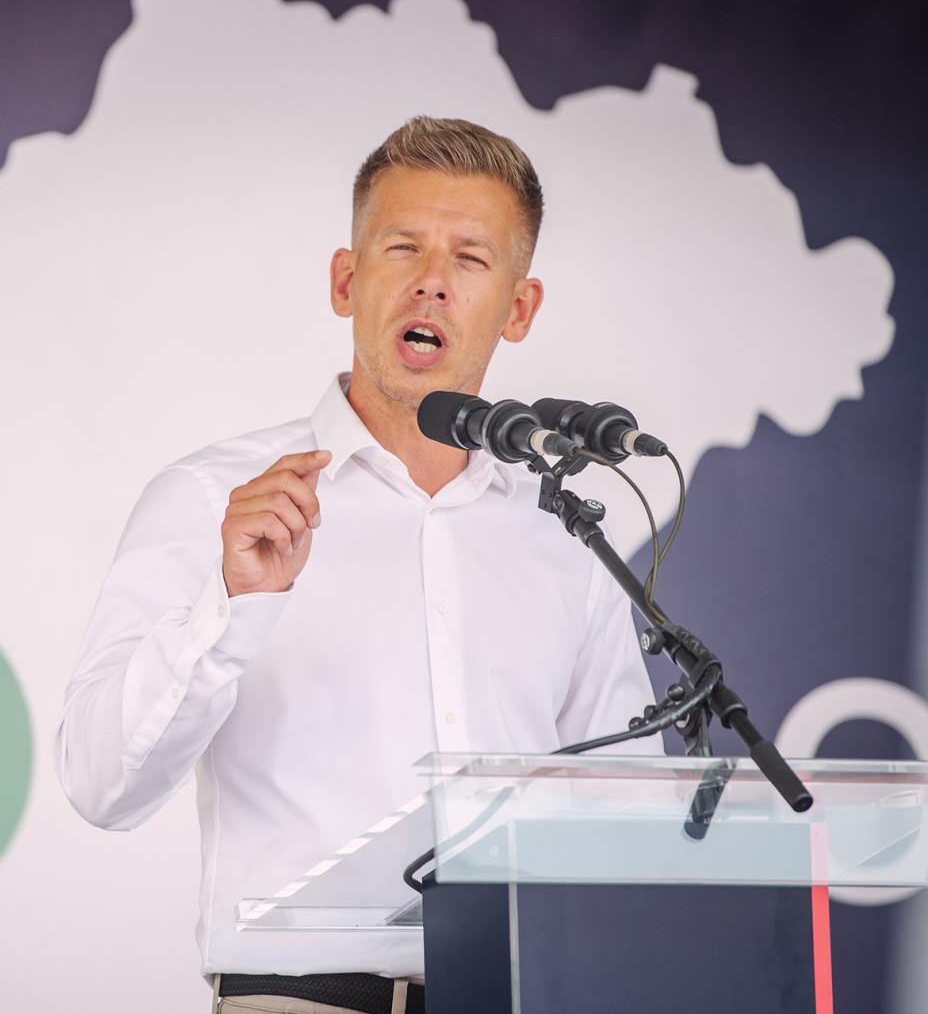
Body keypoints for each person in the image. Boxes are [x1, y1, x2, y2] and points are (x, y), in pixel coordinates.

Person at [54, 116, 661, 1014]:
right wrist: (231, 603)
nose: (431, 282)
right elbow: (101, 783)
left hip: (525, 993)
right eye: (402, 248)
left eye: (469, 259)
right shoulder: (214, 500)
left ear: (519, 308)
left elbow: (627, 815)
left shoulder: (564, 531)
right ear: (347, 281)